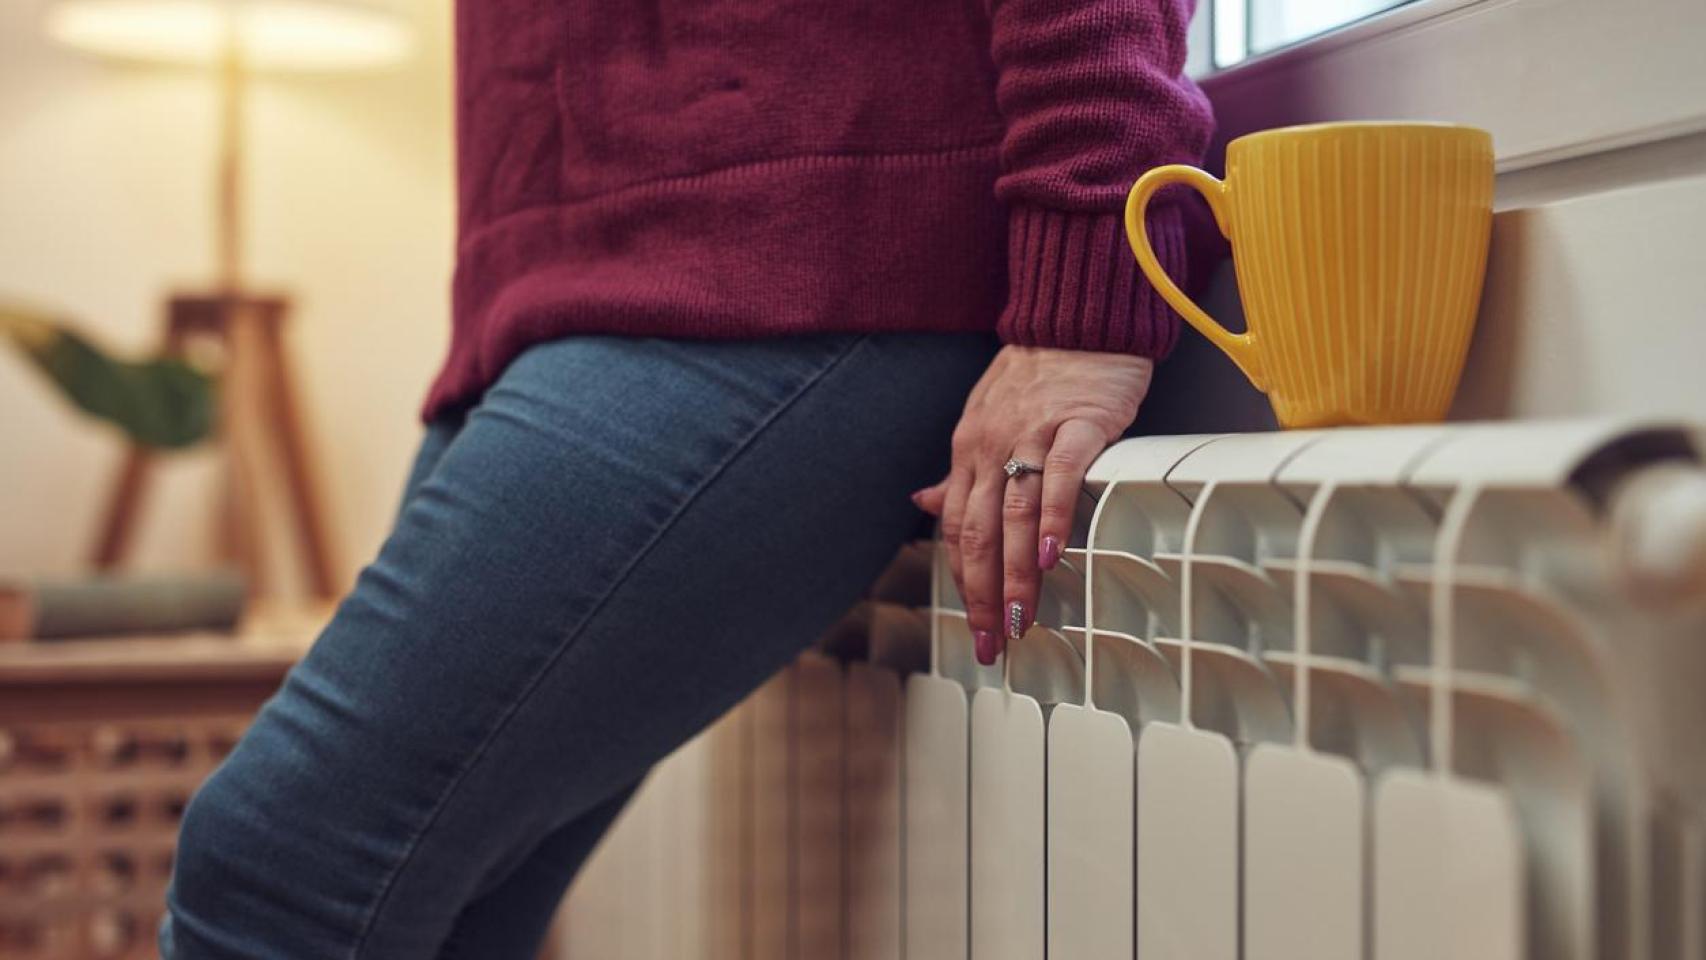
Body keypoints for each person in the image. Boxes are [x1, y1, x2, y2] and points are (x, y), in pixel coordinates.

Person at [159, 0, 1212, 955]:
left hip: (803, 245)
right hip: (561, 277)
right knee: (440, 921)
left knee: (271, 874)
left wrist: (1092, 247)